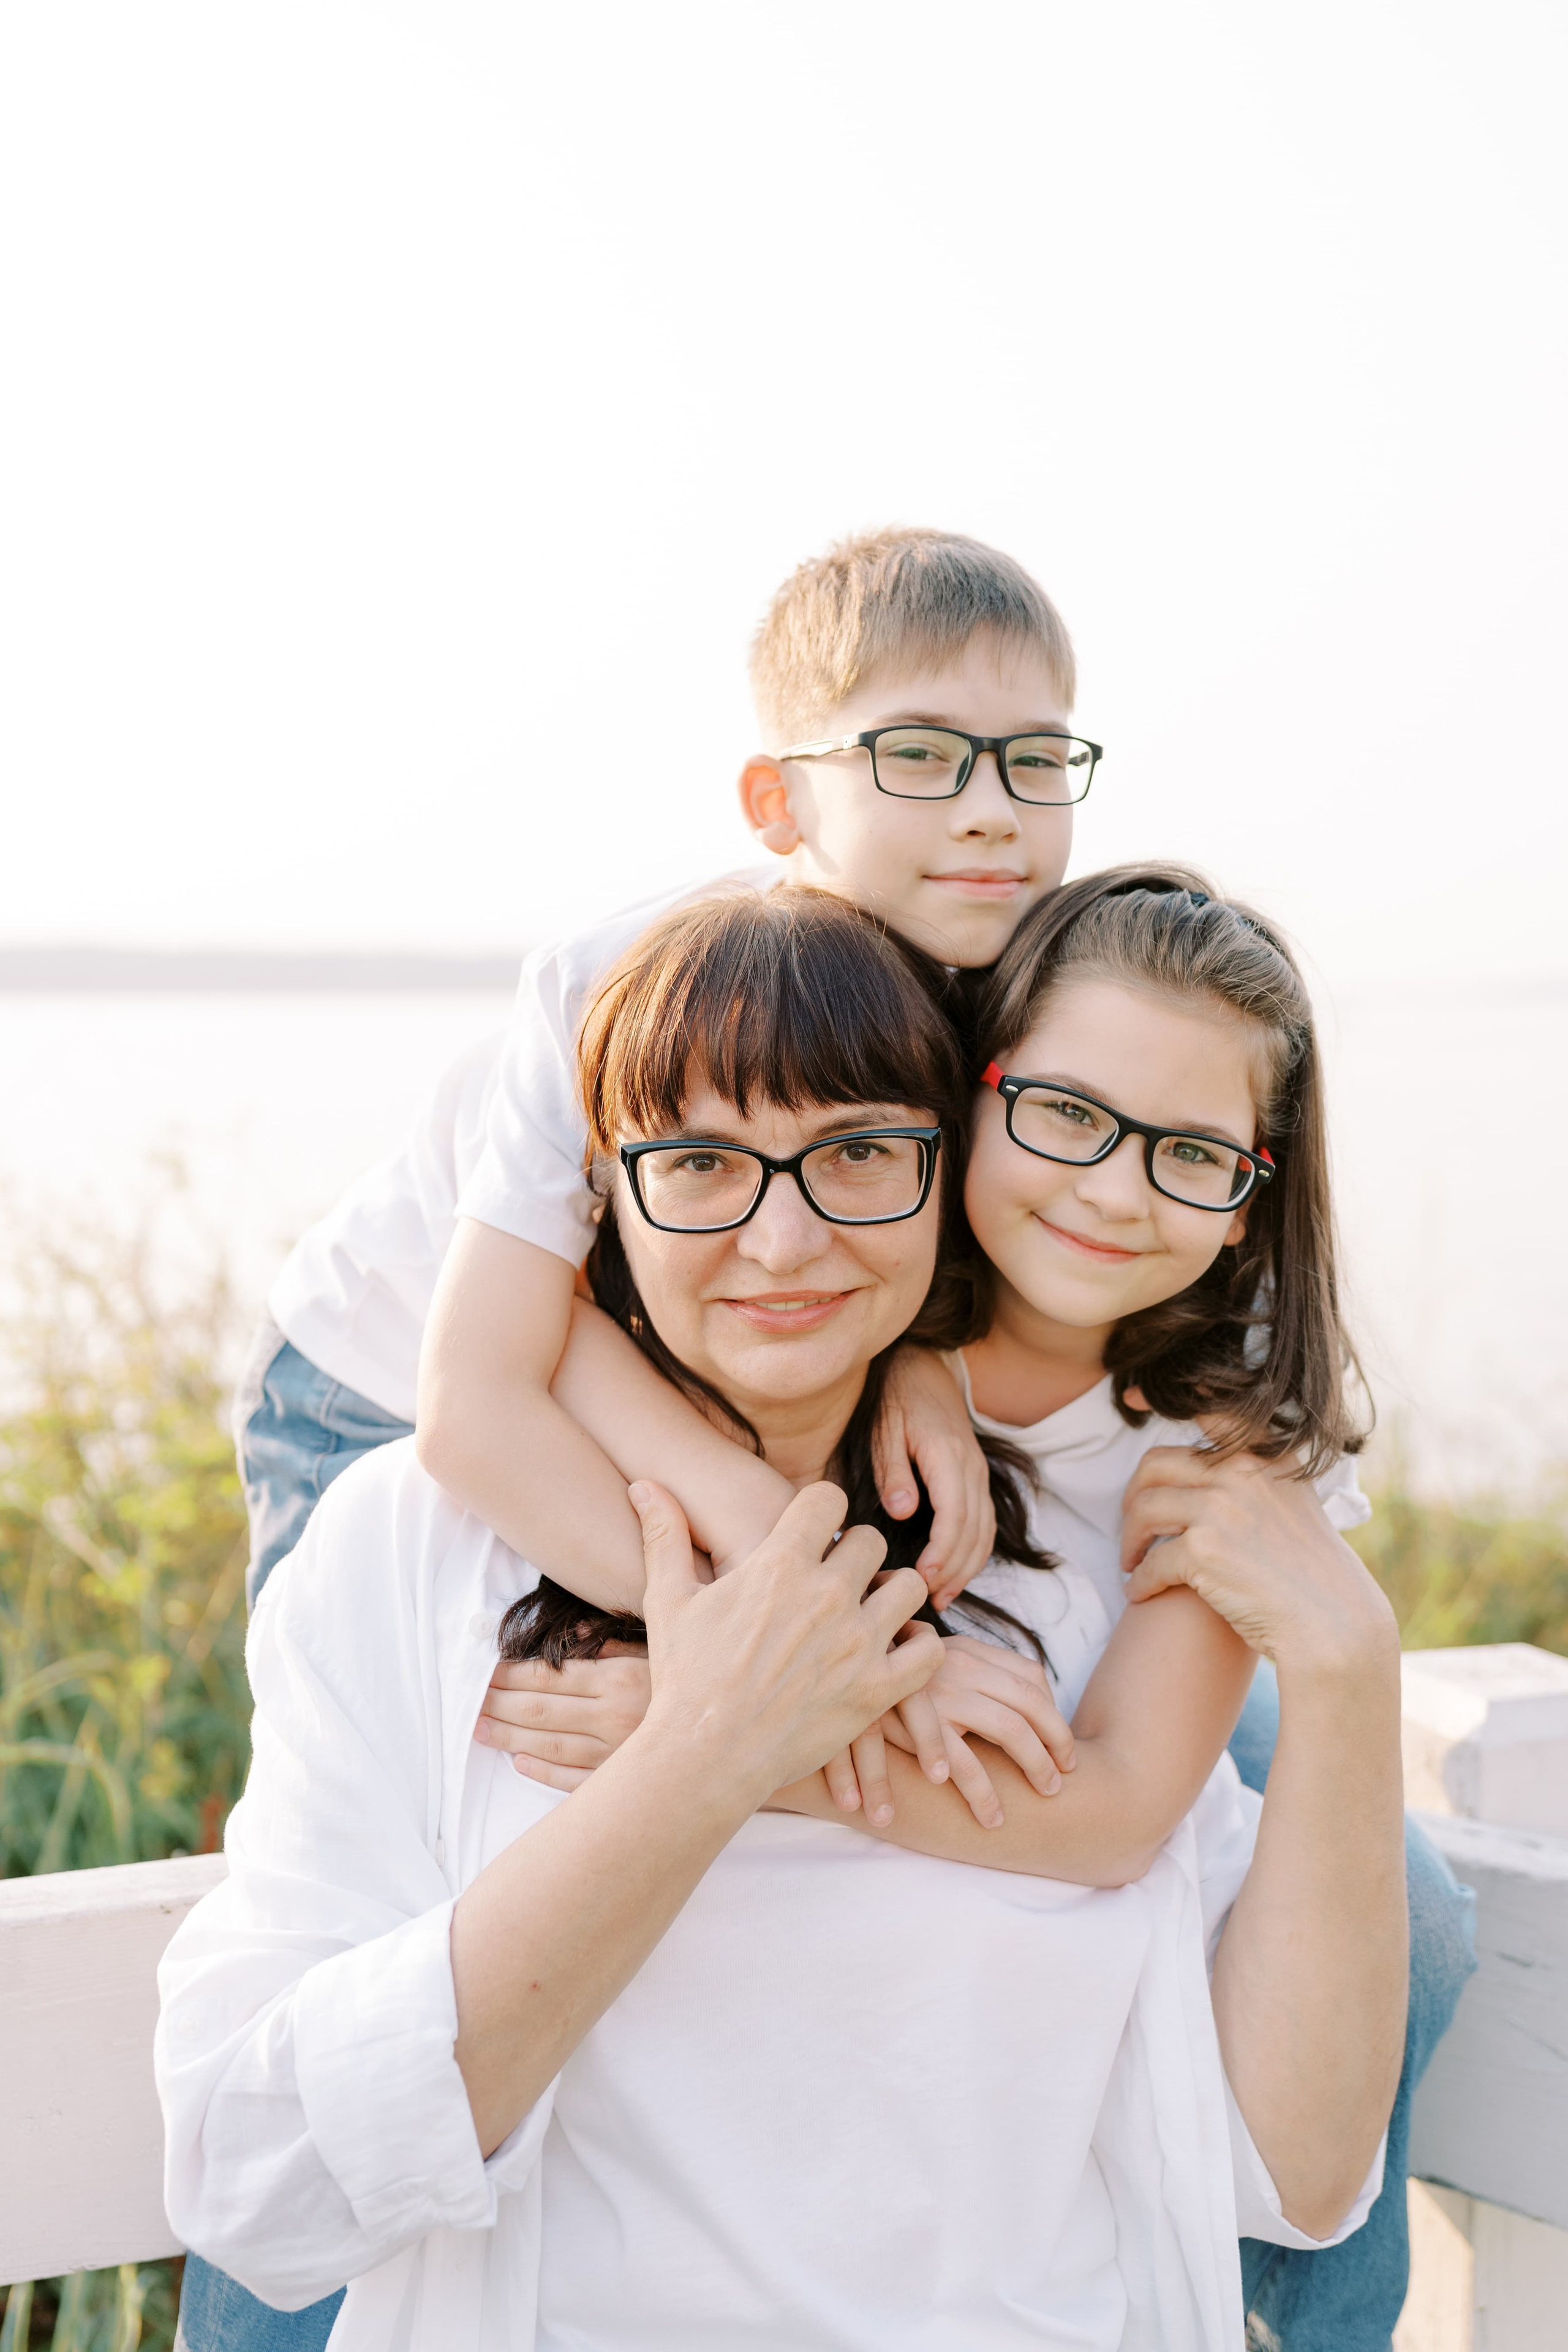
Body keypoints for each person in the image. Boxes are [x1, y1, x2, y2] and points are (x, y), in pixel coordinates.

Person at [159, 891, 1402, 2351]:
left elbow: (1297, 2180)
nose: (782, 1237)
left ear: (942, 1165)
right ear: (600, 1195)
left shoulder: (1105, 1556)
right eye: (699, 1165)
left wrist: (1345, 1676)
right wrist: (702, 1755)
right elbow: (258, 2182)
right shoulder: (421, 1557)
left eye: (859, 1153)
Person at [478, 872, 1479, 2350]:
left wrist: (740, 1741)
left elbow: (1120, 1809)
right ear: (968, 1081)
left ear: (1255, 1180)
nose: (1114, 1191)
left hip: (1115, 1726)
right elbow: (539, 1331)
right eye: (1065, 1115)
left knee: (1423, 1925)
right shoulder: (833, 1262)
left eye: (1194, 1154)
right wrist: (825, 1632)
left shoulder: (1219, 1437)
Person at [236, 526, 1091, 1610]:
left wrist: (924, 1360)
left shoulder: (1014, 979)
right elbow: (480, 1400)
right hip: (381, 1379)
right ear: (780, 803)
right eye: (916, 754)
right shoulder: (620, 985)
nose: (991, 810)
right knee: (439, 1717)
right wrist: (827, 1663)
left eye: (1040, 760)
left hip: (644, 1365)